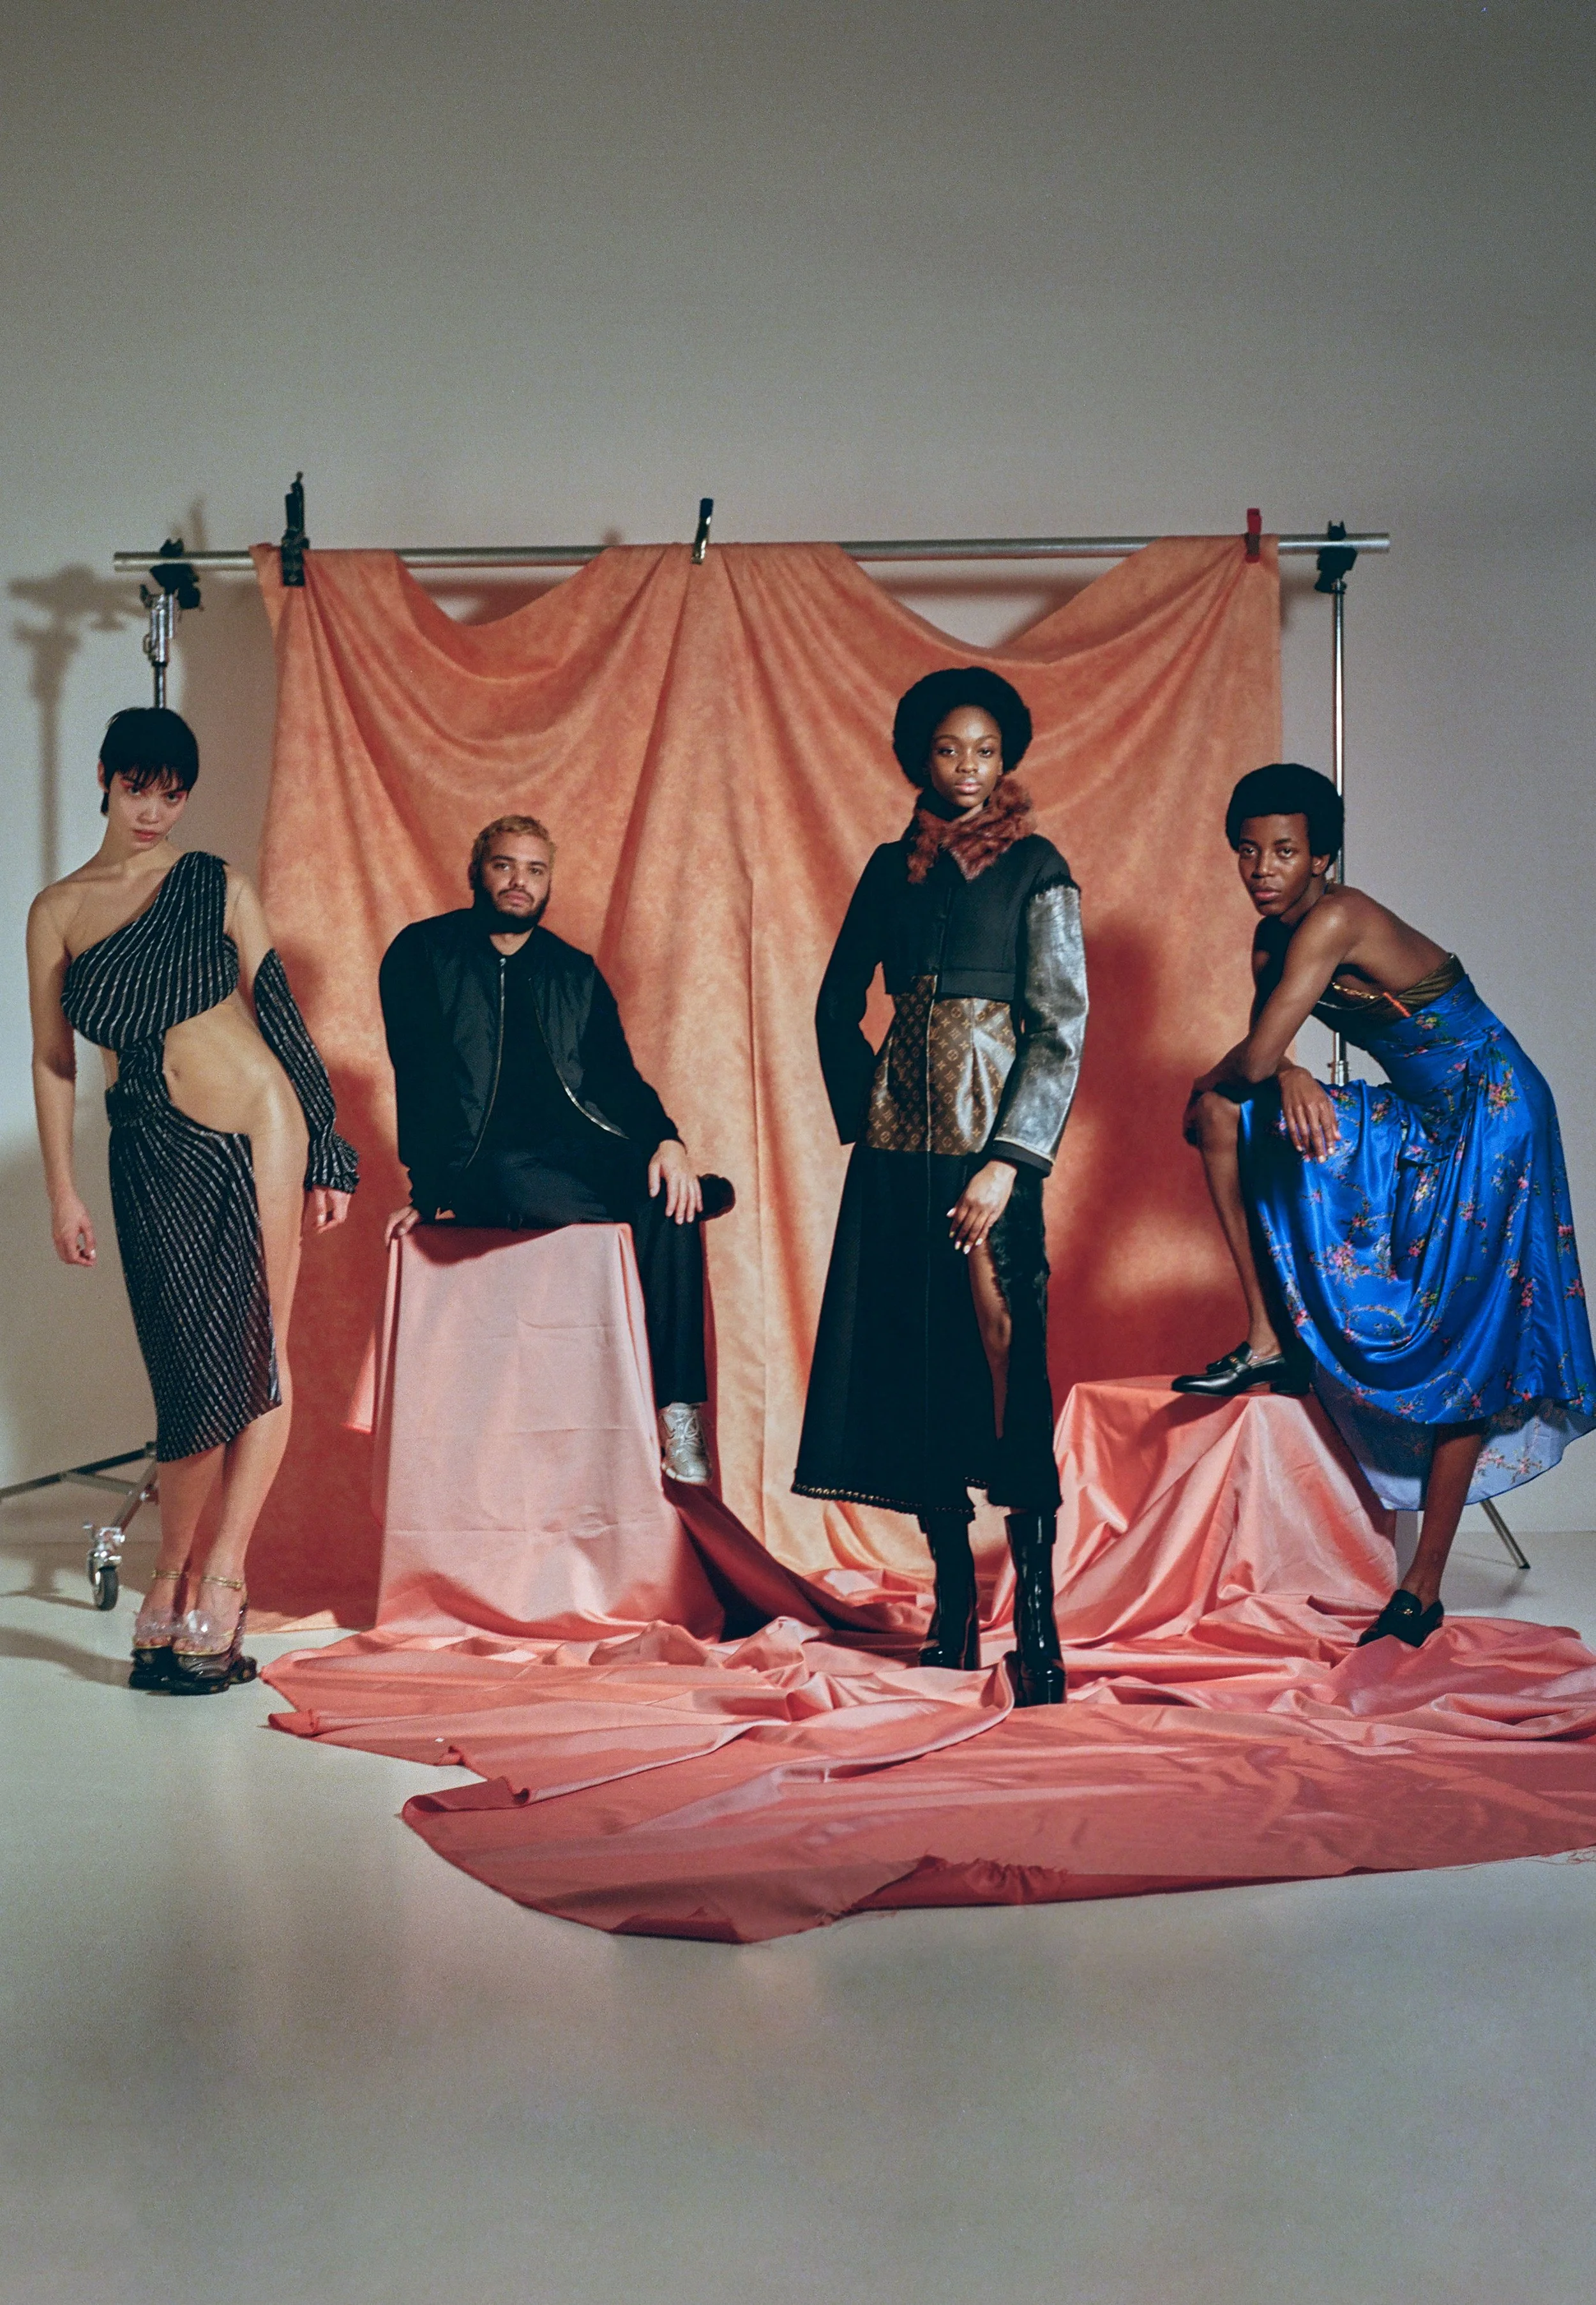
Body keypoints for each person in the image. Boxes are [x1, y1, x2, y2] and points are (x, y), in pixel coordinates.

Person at [1177, 760, 1595, 1646]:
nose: (1262, 869)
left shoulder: (1338, 916)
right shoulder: (1270, 941)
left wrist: (1254, 1070)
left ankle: (1422, 1587)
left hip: (1494, 1113)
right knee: (1220, 1116)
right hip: (1420, 1117)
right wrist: (1281, 1073)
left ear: (1320, 858)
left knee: (1462, 1336)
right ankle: (1266, 1338)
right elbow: (1264, 1055)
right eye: (1247, 850)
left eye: (1283, 850)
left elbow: (1254, 1058)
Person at [26, 708, 358, 1692]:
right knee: (186, 1373)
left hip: (259, 1121)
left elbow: (280, 1012)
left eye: (173, 794)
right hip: (145, 1144)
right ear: (103, 775)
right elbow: (53, 1061)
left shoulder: (216, 882)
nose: (153, 810)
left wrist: (328, 1145)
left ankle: (217, 1577)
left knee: (260, 1356)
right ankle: (170, 1568)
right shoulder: (58, 909)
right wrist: (62, 1190)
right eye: (138, 787)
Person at [794, 668, 1088, 1705]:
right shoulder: (890, 869)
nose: (968, 767)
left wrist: (1008, 1161)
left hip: (990, 1154)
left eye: (986, 750)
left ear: (1008, 760)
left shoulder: (1039, 868)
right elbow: (835, 1005)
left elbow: (1060, 1026)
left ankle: (1038, 1621)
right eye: (950, 749)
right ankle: (954, 1599)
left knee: (1010, 1355)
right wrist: (869, 1109)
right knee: (915, 1358)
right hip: (897, 1154)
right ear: (921, 758)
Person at [378, 815, 729, 1482]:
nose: (520, 881)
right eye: (505, 865)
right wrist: (429, 1192)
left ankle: (680, 1414)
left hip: (576, 1149)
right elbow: (419, 1078)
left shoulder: (573, 970)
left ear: (548, 883)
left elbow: (616, 1078)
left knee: (670, 1202)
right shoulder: (423, 952)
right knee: (518, 1181)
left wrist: (667, 1140)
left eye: (535, 870)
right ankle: (655, 1198)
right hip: (483, 1160)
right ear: (476, 872)